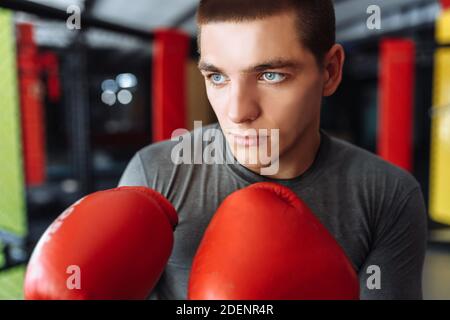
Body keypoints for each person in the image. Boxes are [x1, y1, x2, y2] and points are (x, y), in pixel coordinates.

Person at [119, 0, 427, 300]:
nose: (238, 112)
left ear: (330, 71)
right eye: (217, 77)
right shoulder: (155, 174)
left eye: (271, 75)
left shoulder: (388, 195)